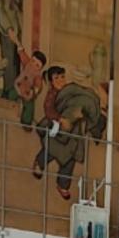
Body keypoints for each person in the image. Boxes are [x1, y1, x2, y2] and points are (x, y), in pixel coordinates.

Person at [33, 65, 106, 200]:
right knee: (51, 150)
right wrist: (61, 119)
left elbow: (81, 97)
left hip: (72, 132)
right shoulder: (52, 95)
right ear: (51, 82)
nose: (60, 80)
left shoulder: (70, 90)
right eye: (56, 78)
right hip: (57, 130)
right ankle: (39, 163)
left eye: (62, 77)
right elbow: (49, 110)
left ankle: (63, 184)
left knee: (70, 159)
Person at [12, 42, 46, 128]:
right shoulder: (27, 64)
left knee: (29, 108)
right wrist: (18, 45)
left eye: (37, 65)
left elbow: (38, 87)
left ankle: (26, 123)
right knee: (11, 94)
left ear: (40, 68)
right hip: (18, 86)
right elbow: (22, 54)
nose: (33, 65)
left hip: (28, 93)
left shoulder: (38, 77)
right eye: (33, 61)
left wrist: (33, 92)